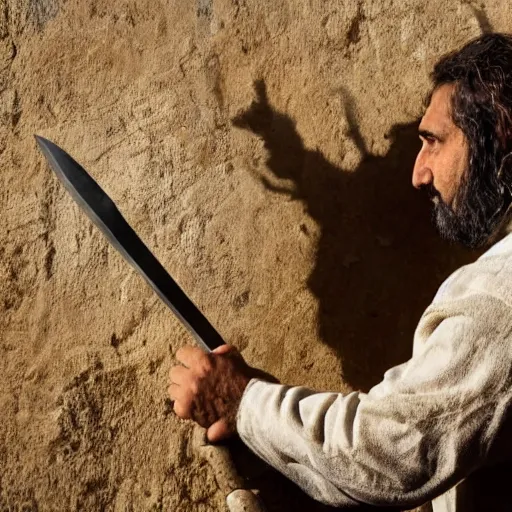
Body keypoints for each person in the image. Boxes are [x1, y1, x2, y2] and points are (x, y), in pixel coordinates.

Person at [168, 33, 512, 511]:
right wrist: (271, 419)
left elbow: (393, 453)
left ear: (497, 136)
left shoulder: (501, 297)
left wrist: (243, 402)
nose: (419, 172)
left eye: (434, 141)